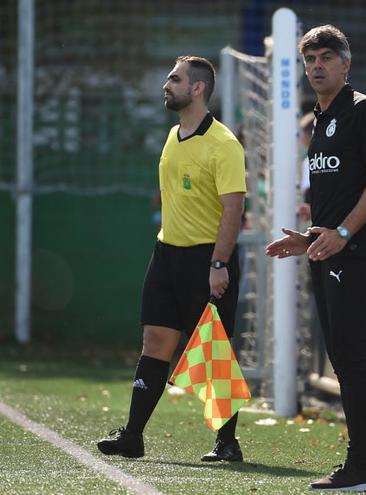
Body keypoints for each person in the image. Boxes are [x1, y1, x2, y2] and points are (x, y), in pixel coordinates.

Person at [96, 56, 247, 462]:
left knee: (214, 349)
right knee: (156, 341)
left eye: (174, 79)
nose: (167, 85)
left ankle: (227, 443)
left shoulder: (225, 144)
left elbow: (233, 209)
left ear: (197, 89)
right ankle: (133, 436)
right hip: (166, 255)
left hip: (207, 259)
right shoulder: (172, 135)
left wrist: (219, 264)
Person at [265, 25, 366, 492]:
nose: (316, 66)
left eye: (325, 58)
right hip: (327, 250)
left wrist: (342, 233)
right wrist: (312, 238)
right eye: (309, 60)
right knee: (341, 356)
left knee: (351, 357)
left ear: (346, 63)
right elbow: (339, 192)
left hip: (351, 253)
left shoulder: (363, 111)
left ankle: (363, 467)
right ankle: (359, 465)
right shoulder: (319, 118)